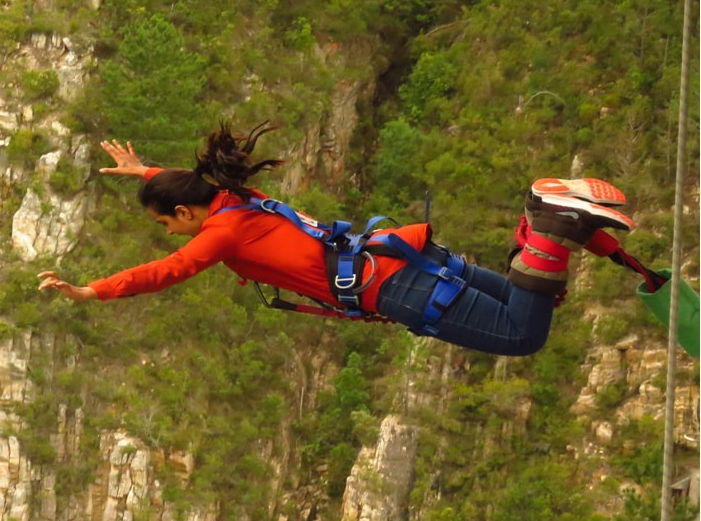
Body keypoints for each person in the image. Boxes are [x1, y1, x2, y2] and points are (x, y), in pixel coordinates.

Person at [38, 121, 633, 356]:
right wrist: (145, 171)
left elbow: (164, 272)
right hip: (403, 256)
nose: (169, 234)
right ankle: (553, 221)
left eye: (165, 222)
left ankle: (551, 223)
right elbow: (194, 185)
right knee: (523, 298)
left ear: (186, 213)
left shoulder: (218, 234)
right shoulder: (233, 197)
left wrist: (93, 292)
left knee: (522, 334)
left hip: (396, 288)